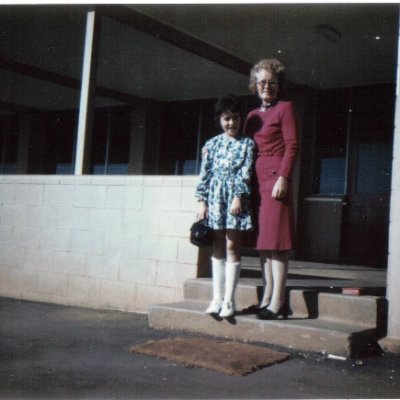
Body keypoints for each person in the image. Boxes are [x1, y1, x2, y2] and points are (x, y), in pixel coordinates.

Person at [243, 59, 298, 320]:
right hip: (257, 181)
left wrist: (284, 178)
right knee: (264, 245)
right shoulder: (252, 116)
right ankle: (266, 298)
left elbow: (292, 145)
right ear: (255, 85)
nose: (267, 87)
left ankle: (278, 301)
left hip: (276, 180)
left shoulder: (285, 108)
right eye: (262, 82)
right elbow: (244, 147)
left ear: (279, 86)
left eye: (272, 83)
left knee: (277, 244)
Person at [195, 94, 255, 318]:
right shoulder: (211, 144)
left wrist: (238, 196)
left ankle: (230, 300)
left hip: (235, 202)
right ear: (220, 119)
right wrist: (202, 201)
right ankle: (216, 298)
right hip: (214, 199)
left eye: (236, 118)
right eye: (227, 118)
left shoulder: (247, 144)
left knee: (232, 246)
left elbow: (246, 173)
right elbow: (205, 174)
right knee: (216, 246)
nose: (232, 123)